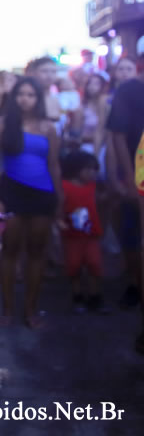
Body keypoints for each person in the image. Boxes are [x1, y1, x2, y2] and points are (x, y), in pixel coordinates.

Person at [0, 77, 62, 328]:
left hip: (42, 194)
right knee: (9, 250)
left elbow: (54, 165)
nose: (25, 99)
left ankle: (31, 309)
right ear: (14, 97)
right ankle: (7, 309)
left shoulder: (48, 128)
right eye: (21, 94)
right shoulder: (1, 124)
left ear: (38, 99)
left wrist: (60, 200)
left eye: (31, 95)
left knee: (37, 252)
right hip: (11, 193)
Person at [106, 74, 144, 326]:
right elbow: (117, 136)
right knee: (134, 238)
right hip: (136, 176)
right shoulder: (129, 90)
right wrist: (129, 181)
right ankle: (134, 284)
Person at [59, 150, 109, 314]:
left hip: (91, 235)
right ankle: (77, 295)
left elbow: (102, 201)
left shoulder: (93, 187)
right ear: (75, 169)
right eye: (88, 169)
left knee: (95, 264)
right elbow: (59, 207)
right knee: (74, 266)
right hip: (72, 236)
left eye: (94, 169)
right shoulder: (64, 187)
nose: (92, 173)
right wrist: (59, 221)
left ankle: (95, 296)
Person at [25, 56, 63, 124]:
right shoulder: (26, 98)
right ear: (33, 73)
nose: (49, 75)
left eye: (53, 71)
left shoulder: (58, 98)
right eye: (44, 71)